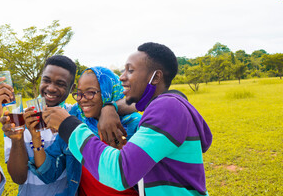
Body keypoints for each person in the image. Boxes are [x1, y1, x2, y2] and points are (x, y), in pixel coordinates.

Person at [43, 42, 213, 196]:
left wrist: (68, 125)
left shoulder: (167, 108)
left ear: (155, 77)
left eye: (130, 70)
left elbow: (119, 172)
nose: (122, 77)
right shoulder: (168, 106)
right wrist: (110, 107)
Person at [1, 55, 134, 196]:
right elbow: (26, 177)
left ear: (71, 88)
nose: (51, 88)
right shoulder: (20, 118)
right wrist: (24, 138)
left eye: (60, 84)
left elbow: (138, 103)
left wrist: (110, 107)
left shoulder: (74, 115)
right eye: (46, 80)